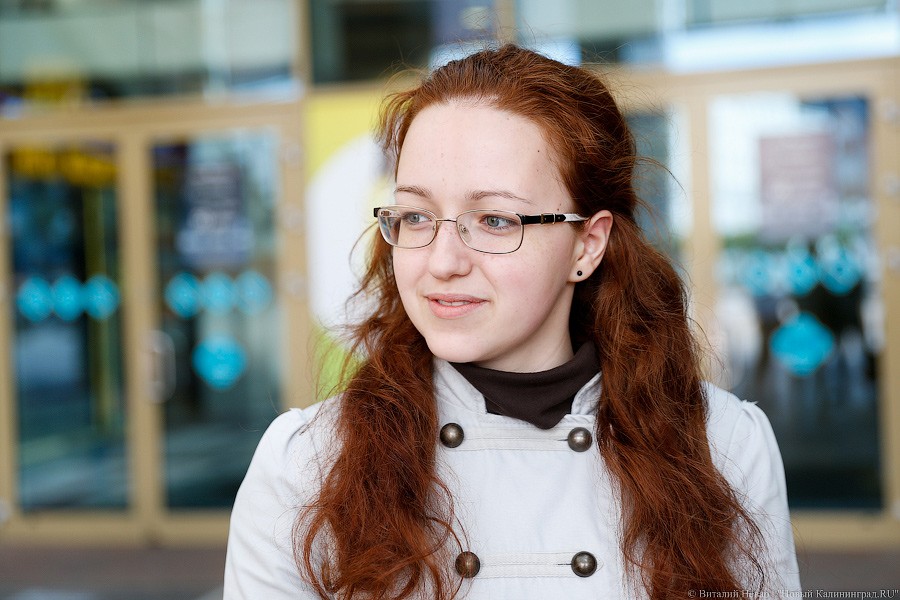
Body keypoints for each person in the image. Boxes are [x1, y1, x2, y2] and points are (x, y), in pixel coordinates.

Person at [224, 44, 800, 599]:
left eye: (495, 220)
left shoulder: (721, 445)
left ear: (587, 245)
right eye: (416, 216)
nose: (443, 262)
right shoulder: (308, 467)